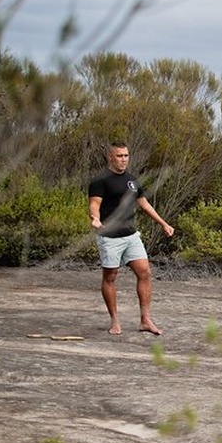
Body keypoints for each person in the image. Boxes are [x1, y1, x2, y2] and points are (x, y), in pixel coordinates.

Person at [88, 142, 174, 336]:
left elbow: (144, 204)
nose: (123, 159)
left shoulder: (132, 180)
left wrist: (163, 223)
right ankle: (115, 321)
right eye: (119, 156)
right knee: (110, 277)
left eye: (126, 155)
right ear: (110, 157)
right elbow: (94, 203)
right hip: (109, 237)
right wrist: (95, 218)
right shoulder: (100, 180)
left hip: (131, 236)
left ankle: (145, 320)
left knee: (144, 273)